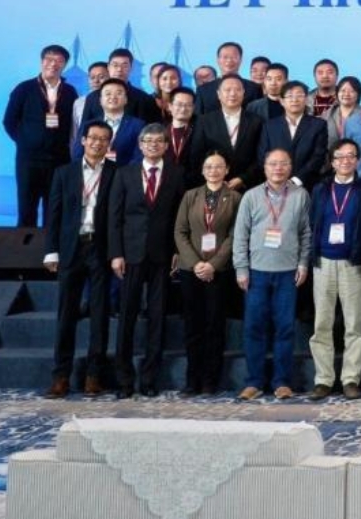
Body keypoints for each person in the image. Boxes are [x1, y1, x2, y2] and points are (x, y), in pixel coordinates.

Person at [108, 124, 186, 398]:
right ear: (140, 145)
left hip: (162, 255)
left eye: (158, 141)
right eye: (148, 140)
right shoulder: (125, 174)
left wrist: (178, 250)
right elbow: (114, 217)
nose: (153, 145)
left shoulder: (176, 174)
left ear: (166, 146)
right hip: (130, 255)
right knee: (127, 317)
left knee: (157, 318)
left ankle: (150, 379)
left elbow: (180, 217)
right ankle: (124, 380)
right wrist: (116, 253)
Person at [42, 122, 117, 398]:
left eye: (104, 139)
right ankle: (61, 376)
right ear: (83, 140)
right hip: (71, 248)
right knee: (66, 314)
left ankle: (93, 376)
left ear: (109, 144)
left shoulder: (117, 173)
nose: (98, 143)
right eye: (93, 138)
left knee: (99, 314)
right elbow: (53, 215)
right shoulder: (64, 173)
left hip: (100, 249)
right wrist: (51, 250)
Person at [232, 149, 314, 400]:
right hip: (256, 273)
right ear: (265, 167)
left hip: (288, 273)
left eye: (283, 164)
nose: (278, 168)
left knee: (284, 328)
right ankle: (254, 381)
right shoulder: (251, 196)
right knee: (254, 328)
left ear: (290, 167)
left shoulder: (301, 195)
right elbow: (240, 235)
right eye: (273, 164)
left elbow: (306, 233)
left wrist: (303, 264)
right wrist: (241, 268)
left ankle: (281, 381)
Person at [302, 139, 361, 401]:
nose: (345, 161)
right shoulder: (320, 189)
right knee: (322, 323)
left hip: (354, 264)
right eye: (340, 157)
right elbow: (312, 223)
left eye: (351, 156)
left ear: (358, 160)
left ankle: (351, 379)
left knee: (354, 325)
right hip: (323, 263)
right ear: (332, 162)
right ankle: (323, 379)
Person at [173, 150, 241, 396]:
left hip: (219, 270)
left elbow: (235, 234)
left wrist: (213, 264)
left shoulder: (235, 198)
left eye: (219, 166)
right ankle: (192, 380)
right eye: (209, 166)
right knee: (193, 326)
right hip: (191, 270)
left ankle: (210, 380)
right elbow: (180, 231)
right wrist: (196, 264)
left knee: (215, 326)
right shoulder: (190, 196)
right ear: (202, 171)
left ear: (227, 170)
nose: (214, 170)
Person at [6, 44, 78, 227]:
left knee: (54, 210)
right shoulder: (24, 89)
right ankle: (24, 245)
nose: (53, 64)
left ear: (64, 65)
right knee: (26, 209)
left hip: (59, 160)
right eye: (49, 59)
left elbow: (73, 124)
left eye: (59, 60)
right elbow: (9, 121)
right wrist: (26, 141)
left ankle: (50, 245)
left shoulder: (70, 92)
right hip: (29, 160)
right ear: (42, 61)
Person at [187, 75, 264, 190]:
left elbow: (260, 156)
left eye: (237, 90)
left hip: (248, 186)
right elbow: (196, 155)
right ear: (218, 94)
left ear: (243, 93)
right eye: (227, 90)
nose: (232, 94)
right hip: (212, 184)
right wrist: (213, 179)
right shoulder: (204, 121)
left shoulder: (257, 121)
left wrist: (243, 178)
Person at [260, 81, 330, 190]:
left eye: (299, 95)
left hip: (307, 184)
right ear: (282, 101)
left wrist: (296, 180)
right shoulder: (269, 126)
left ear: (306, 99)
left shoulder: (319, 125)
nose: (295, 100)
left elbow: (318, 156)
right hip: (275, 184)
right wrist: (277, 178)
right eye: (290, 96)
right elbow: (263, 155)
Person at [74, 82, 143, 166]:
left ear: (126, 100)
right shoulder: (88, 125)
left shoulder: (138, 125)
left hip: (125, 172)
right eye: (108, 94)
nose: (113, 97)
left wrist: (124, 173)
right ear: (100, 100)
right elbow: (77, 154)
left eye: (118, 93)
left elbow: (139, 156)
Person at [194, 42, 264, 116]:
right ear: (218, 60)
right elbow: (198, 118)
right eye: (225, 57)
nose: (229, 60)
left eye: (234, 57)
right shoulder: (203, 90)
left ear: (241, 60)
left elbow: (260, 117)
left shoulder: (254, 88)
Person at [322, 77, 361, 149]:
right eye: (343, 90)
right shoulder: (325, 116)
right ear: (337, 93)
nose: (346, 94)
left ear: (358, 94)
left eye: (352, 91)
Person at [72, 62, 108, 131]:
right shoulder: (79, 102)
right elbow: (75, 130)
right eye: (92, 77)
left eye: (101, 77)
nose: (96, 81)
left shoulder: (114, 100)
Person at [164, 88, 195, 167]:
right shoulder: (161, 131)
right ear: (170, 106)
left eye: (188, 105)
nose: (183, 109)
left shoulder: (200, 131)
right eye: (179, 104)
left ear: (193, 108)